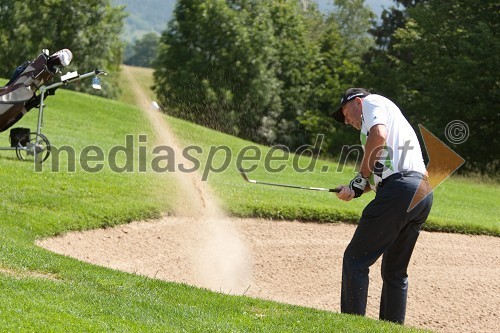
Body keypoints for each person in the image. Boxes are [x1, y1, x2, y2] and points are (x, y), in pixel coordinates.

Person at [332, 88, 433, 324]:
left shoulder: (372, 103)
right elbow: (384, 177)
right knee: (394, 272)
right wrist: (356, 189)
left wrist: (360, 176)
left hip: (401, 191)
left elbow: (378, 135)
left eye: (345, 113)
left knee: (355, 259)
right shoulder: (392, 118)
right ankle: (391, 328)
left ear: (357, 102)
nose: (346, 121)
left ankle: (351, 327)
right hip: (421, 193)